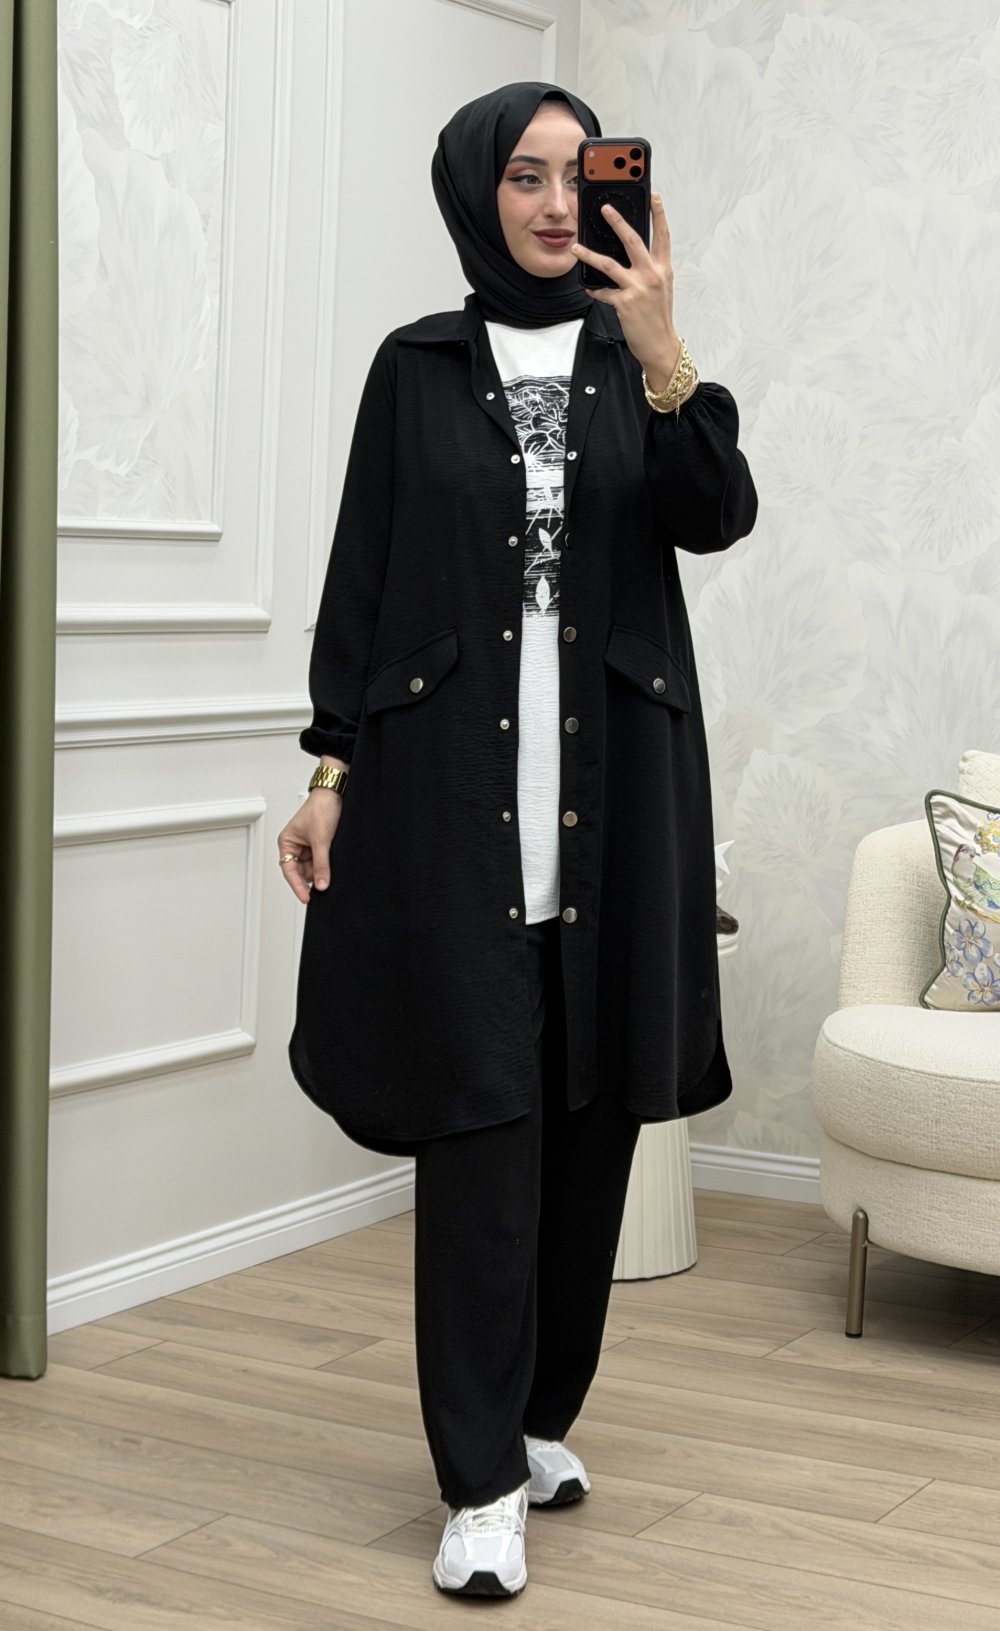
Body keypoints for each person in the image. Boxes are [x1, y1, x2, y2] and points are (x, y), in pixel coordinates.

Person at [277, 81, 758, 1599]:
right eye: (527, 177)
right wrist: (331, 769)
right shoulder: (416, 370)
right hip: (452, 806)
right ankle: (476, 1482)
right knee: (483, 1133)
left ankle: (542, 1418)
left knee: (591, 1133)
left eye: (579, 175)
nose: (558, 205)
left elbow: (716, 515)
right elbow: (363, 578)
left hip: (617, 806)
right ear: (476, 194)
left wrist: (668, 352)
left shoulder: (634, 363)